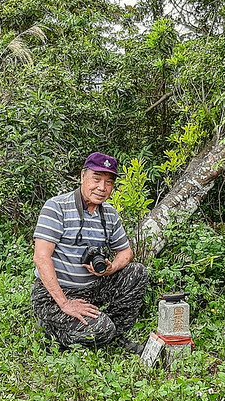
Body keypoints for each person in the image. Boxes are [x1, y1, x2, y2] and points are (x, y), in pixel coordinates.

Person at [31, 152, 148, 354]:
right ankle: (52, 330)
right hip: (54, 294)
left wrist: (111, 268)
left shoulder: (109, 214)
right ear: (82, 176)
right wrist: (65, 303)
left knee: (137, 272)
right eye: (96, 179)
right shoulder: (57, 207)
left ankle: (115, 335)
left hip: (92, 289)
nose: (102, 188)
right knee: (100, 330)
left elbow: (126, 253)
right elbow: (41, 257)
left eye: (108, 182)